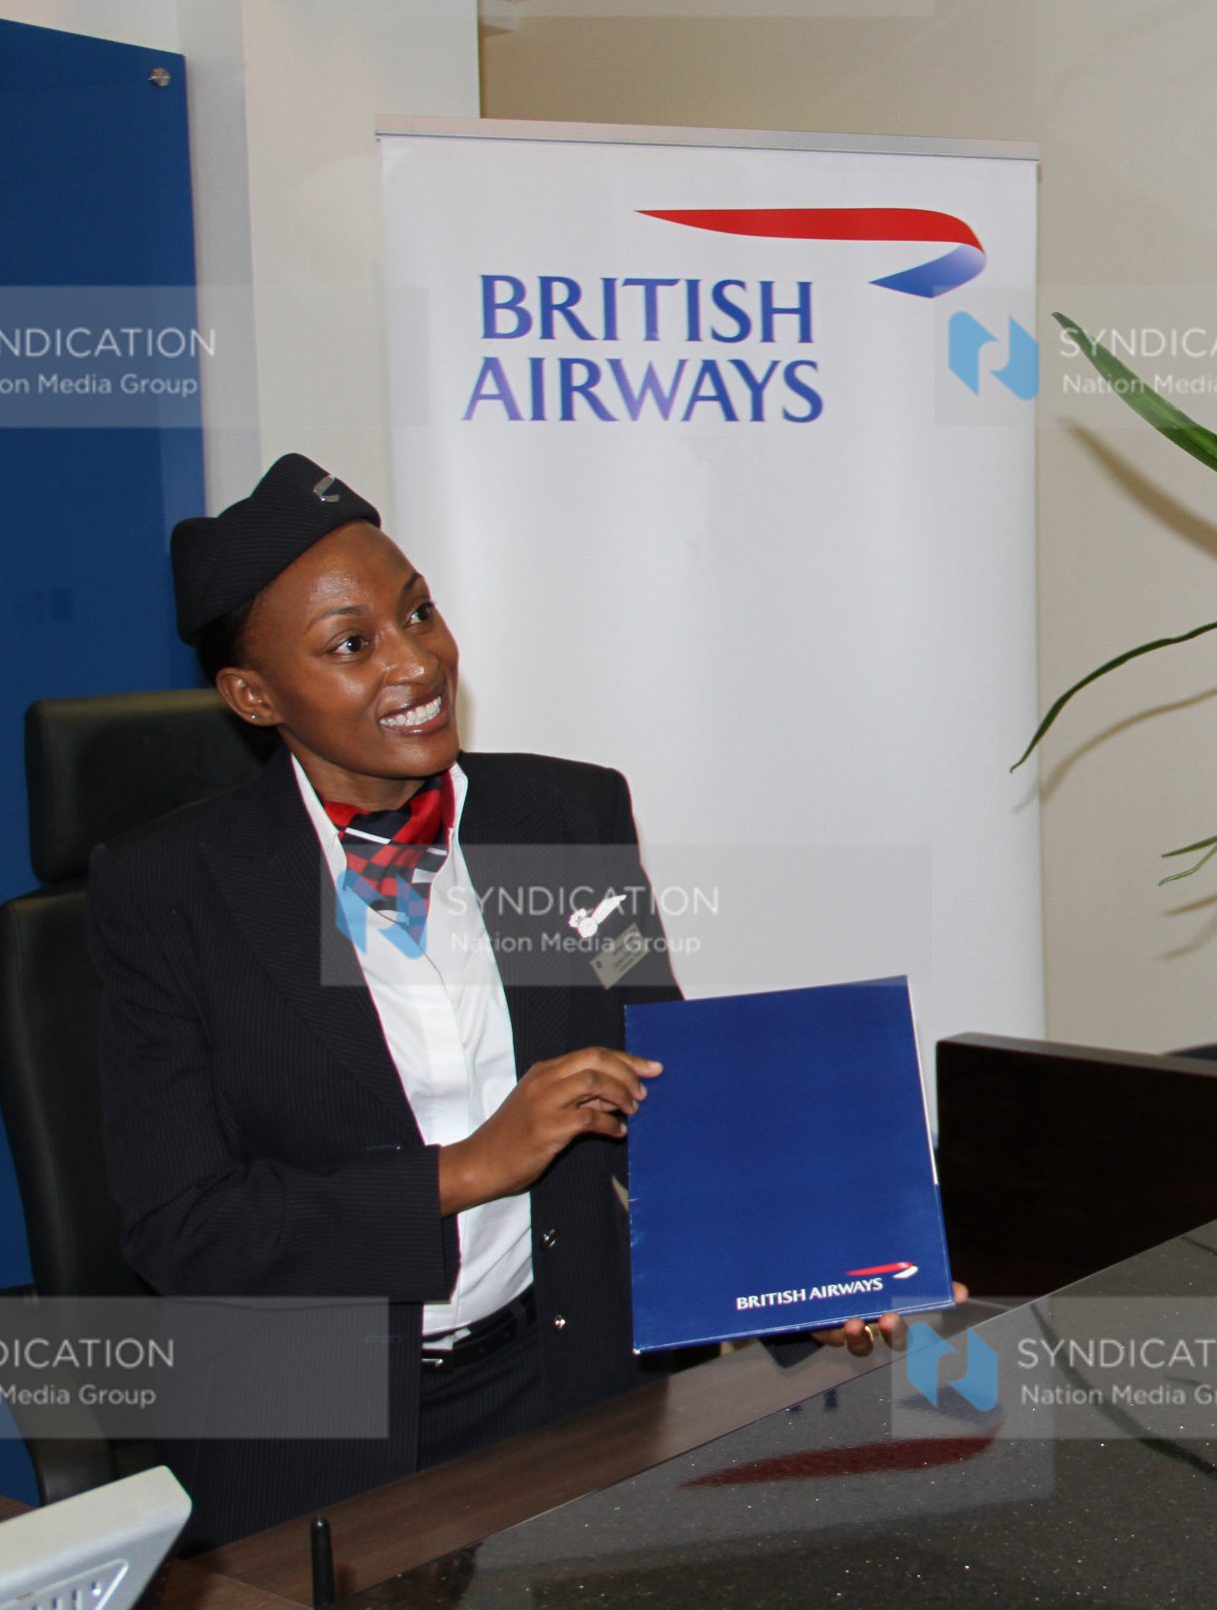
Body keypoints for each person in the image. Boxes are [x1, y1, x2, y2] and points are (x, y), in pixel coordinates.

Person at [93, 454, 926, 1549]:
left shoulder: (559, 816)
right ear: (254, 697)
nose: (416, 660)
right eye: (353, 645)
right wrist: (470, 1168)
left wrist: (792, 1278)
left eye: (419, 612)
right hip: (314, 1439)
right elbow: (183, 1228)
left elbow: (651, 1088)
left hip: (568, 1382)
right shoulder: (171, 891)